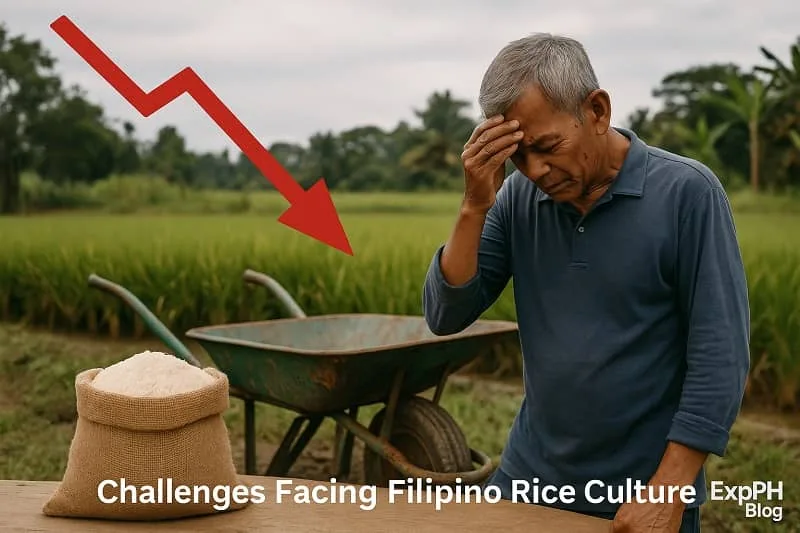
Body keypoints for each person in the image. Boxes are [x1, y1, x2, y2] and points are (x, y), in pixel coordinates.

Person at [421, 33, 750, 533]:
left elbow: (720, 354)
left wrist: (668, 491)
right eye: (518, 157)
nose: (535, 171)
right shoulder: (515, 202)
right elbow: (446, 315)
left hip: (640, 492)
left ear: (596, 110)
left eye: (548, 147)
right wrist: (474, 206)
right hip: (528, 477)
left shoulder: (687, 194)